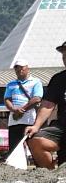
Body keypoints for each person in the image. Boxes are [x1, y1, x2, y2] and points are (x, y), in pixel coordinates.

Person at [25, 41, 66, 169]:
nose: (65, 59)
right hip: (62, 127)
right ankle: (52, 175)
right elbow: (48, 104)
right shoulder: (58, 79)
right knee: (35, 139)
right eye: (64, 56)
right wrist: (36, 125)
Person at [4, 59, 43, 153]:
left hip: (30, 121)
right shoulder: (10, 84)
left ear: (27, 68)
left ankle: (39, 166)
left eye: (22, 67)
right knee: (14, 148)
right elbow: (7, 99)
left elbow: (37, 98)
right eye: (17, 68)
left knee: (34, 146)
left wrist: (21, 110)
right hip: (14, 121)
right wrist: (14, 110)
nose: (19, 70)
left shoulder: (36, 82)